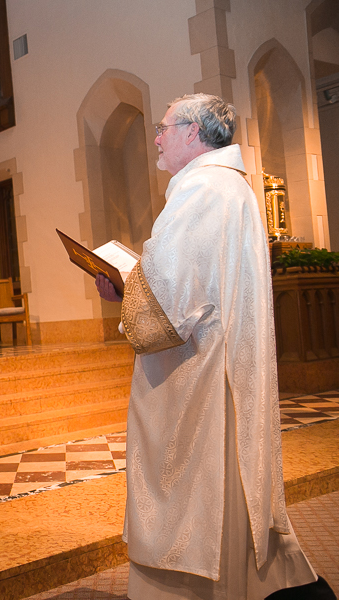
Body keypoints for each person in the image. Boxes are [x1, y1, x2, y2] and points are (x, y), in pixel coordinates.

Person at [95, 93, 334, 599]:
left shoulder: (202, 189)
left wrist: (123, 284)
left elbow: (173, 298)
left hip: (200, 371)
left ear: (192, 133)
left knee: (197, 482)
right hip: (219, 358)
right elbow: (187, 280)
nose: (156, 138)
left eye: (164, 128)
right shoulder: (230, 187)